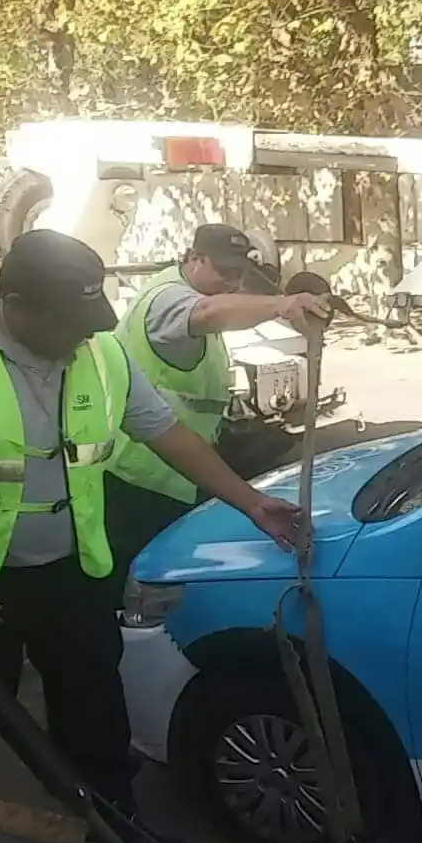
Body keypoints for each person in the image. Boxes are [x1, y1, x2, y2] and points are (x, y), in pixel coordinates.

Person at [0, 229, 303, 843]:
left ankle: (114, 829)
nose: (81, 338)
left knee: (95, 707)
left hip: (75, 572)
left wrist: (251, 503)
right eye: (69, 323)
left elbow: (167, 434)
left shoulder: (98, 352)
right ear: (16, 304)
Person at [105, 223, 330, 591]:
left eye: (238, 274)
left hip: (180, 465)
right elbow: (208, 312)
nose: (231, 282)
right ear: (194, 259)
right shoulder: (168, 300)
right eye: (223, 272)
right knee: (142, 581)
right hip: (141, 476)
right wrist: (282, 305)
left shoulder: (185, 289)